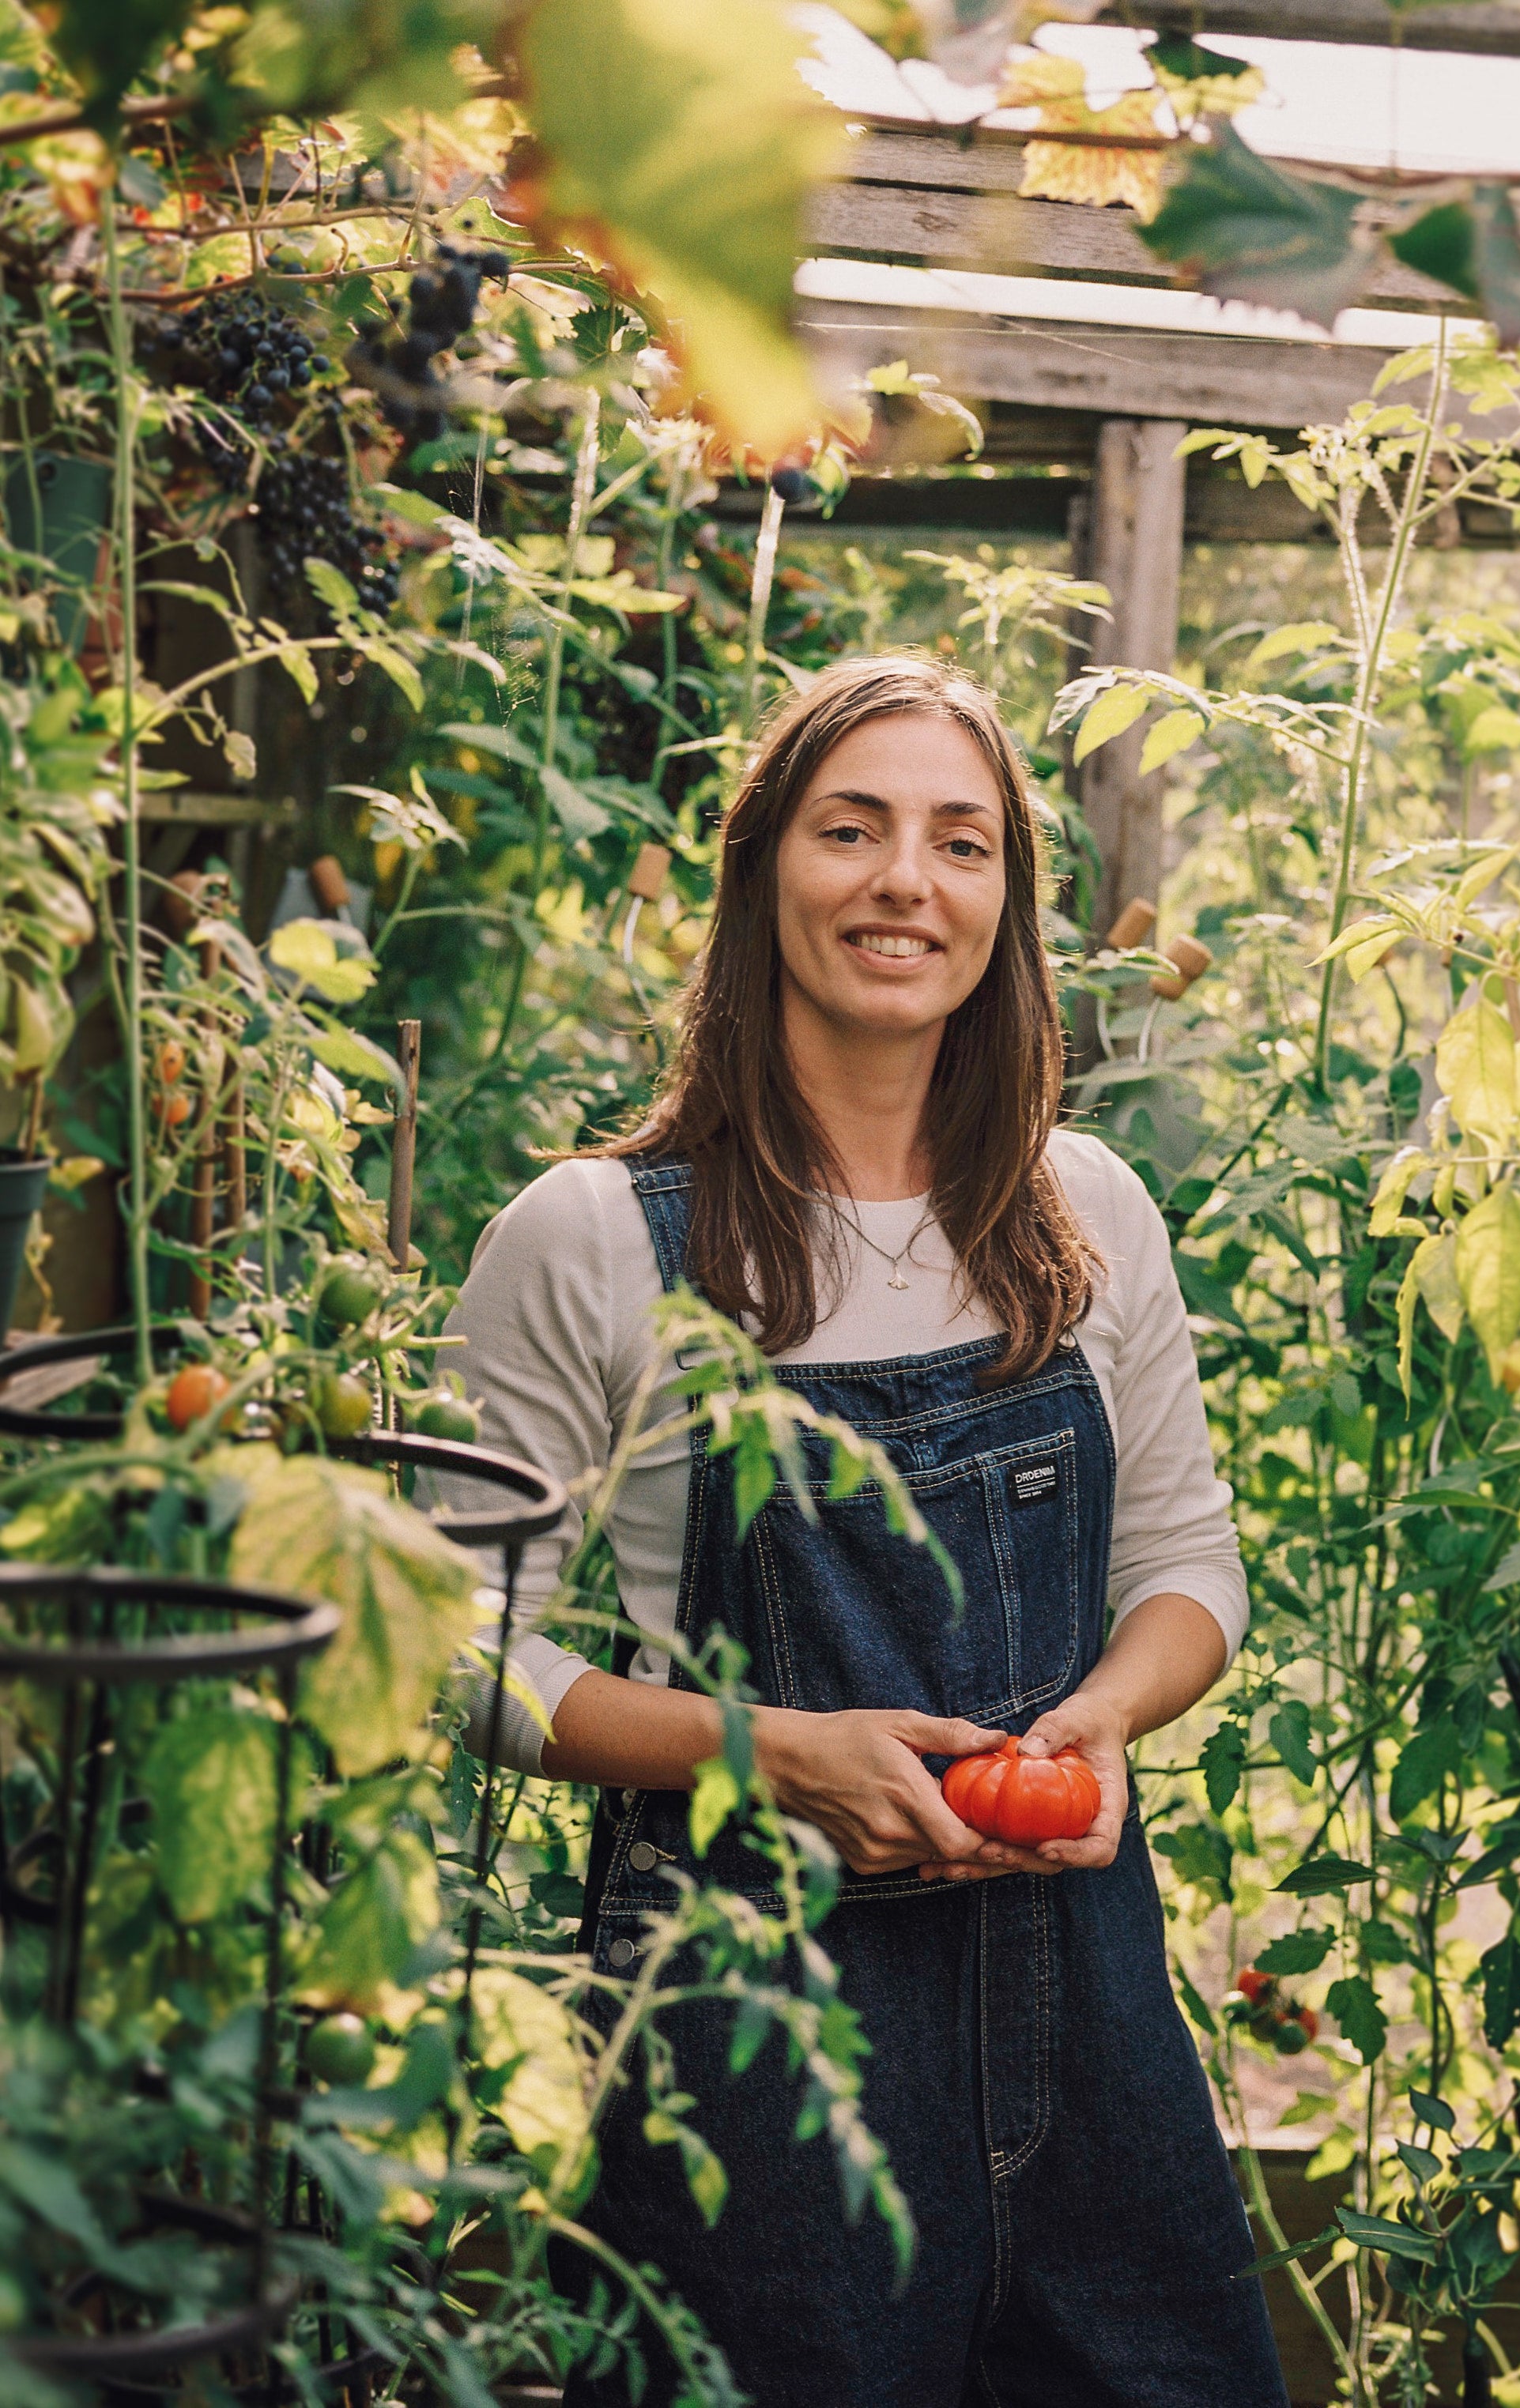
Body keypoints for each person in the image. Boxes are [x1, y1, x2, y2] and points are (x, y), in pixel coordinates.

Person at [447, 656, 1286, 2408]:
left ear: (1007, 906)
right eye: (853, 830)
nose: (908, 881)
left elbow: (1188, 1568)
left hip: (1088, 2004)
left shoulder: (1087, 1211)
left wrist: (1108, 1716)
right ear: (763, 873)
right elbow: (460, 1642)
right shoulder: (594, 1238)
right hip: (759, 2038)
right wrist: (764, 1754)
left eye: (961, 843)